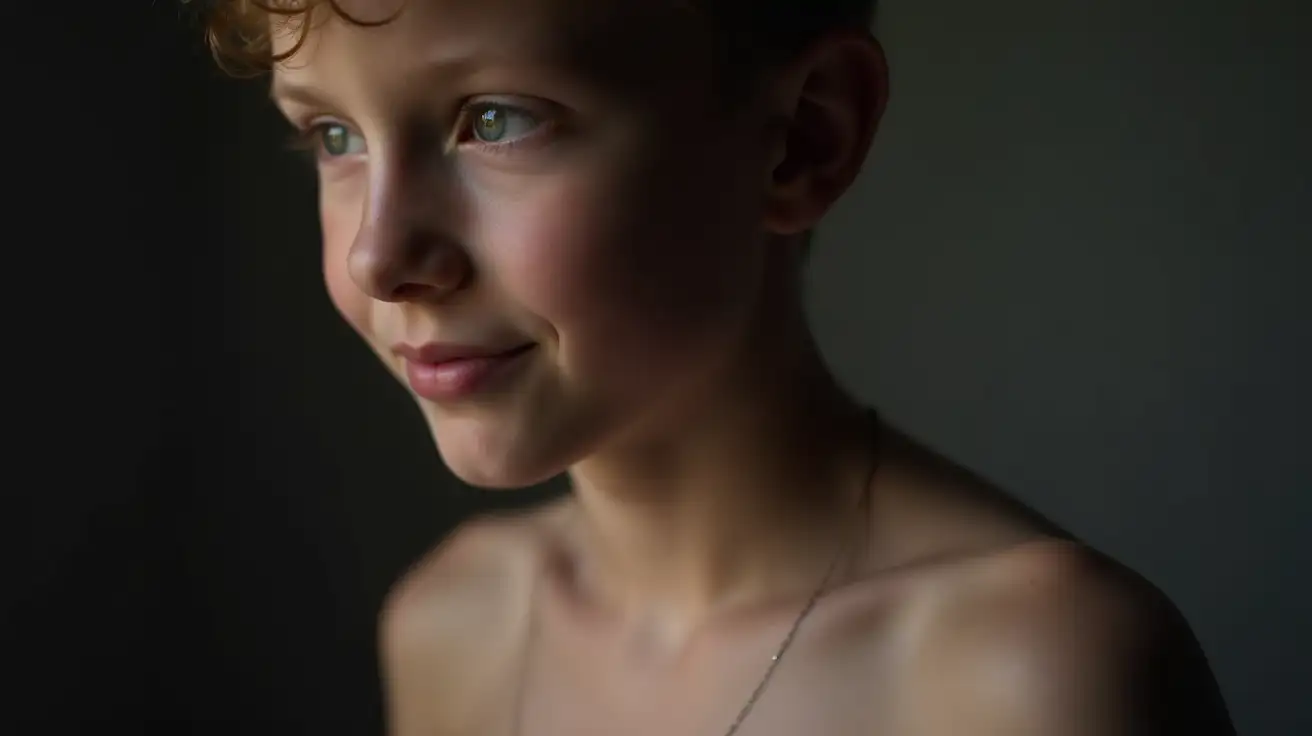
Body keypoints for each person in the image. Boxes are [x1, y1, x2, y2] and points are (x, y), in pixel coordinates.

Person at [194, 0, 1236, 733]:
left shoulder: (1033, 673)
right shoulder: (449, 627)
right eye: (332, 135)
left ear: (802, 141)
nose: (380, 255)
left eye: (496, 120)